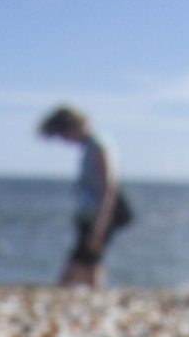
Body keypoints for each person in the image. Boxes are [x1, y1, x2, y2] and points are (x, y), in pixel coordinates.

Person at [38, 105, 131, 288]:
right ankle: (97, 299)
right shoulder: (90, 146)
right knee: (92, 263)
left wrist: (100, 226)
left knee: (75, 268)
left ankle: (87, 299)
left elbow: (110, 186)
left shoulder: (99, 144)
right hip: (92, 215)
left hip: (99, 215)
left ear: (72, 127)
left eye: (64, 135)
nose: (65, 141)